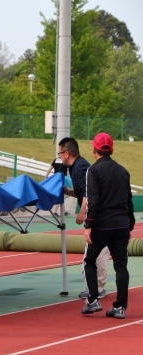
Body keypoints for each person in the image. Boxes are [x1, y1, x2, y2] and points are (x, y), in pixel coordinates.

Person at [80, 133, 134, 318]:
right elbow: (128, 201)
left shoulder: (93, 170)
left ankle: (93, 300)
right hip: (121, 224)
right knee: (121, 266)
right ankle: (120, 307)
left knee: (89, 261)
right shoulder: (123, 171)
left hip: (102, 225)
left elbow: (93, 200)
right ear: (112, 150)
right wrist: (129, 226)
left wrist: (89, 224)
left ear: (94, 149)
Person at [58, 137, 110, 299]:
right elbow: (83, 192)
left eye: (60, 154)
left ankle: (97, 288)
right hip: (99, 213)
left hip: (98, 215)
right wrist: (69, 192)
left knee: (96, 253)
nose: (59, 157)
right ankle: (97, 286)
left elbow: (89, 192)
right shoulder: (77, 167)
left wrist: (82, 213)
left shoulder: (80, 167)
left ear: (67, 153)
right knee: (97, 252)